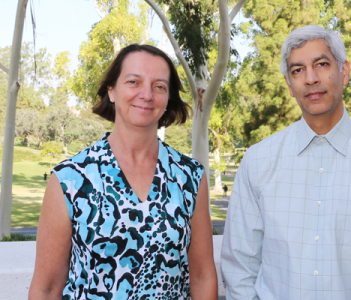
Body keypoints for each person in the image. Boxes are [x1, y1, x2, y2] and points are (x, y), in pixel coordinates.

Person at [221, 25, 351, 300]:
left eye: (322, 64)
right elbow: (240, 265)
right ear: (289, 85)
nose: (311, 79)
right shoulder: (258, 160)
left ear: (344, 72)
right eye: (298, 70)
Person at [29, 44, 217, 300]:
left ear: (167, 99)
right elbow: (47, 288)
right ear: (112, 90)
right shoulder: (70, 179)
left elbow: (202, 276)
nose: (147, 94)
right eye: (133, 81)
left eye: (159, 86)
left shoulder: (190, 177)